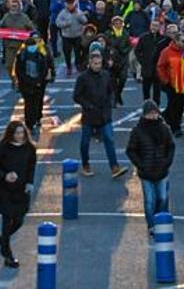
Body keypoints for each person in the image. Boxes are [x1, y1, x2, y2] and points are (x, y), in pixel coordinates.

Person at [0, 120, 38, 269]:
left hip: (21, 189)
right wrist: (4, 175)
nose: (20, 136)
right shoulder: (2, 148)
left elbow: (31, 166)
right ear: (11, 134)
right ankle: (7, 254)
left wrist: (30, 182)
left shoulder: (29, 148)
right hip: (4, 189)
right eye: (17, 133)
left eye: (22, 133)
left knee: (19, 219)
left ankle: (3, 238)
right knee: (7, 218)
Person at [73, 51, 128, 179]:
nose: (97, 66)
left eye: (99, 63)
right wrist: (87, 105)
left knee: (109, 139)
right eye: (95, 63)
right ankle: (86, 164)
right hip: (89, 114)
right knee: (85, 142)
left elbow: (111, 91)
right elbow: (76, 96)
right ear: (90, 63)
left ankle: (114, 167)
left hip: (104, 114)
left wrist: (110, 103)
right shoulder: (83, 78)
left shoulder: (106, 75)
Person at [126, 99, 176, 236]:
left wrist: (167, 162)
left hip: (161, 170)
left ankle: (161, 221)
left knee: (163, 198)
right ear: (144, 114)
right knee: (149, 201)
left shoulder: (164, 128)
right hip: (146, 172)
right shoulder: (137, 131)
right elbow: (130, 150)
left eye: (155, 113)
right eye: (150, 113)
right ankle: (152, 225)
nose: (153, 116)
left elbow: (171, 146)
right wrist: (140, 164)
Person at [13, 34, 55, 136]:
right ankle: (29, 123)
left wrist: (40, 80)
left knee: (36, 103)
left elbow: (44, 69)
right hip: (26, 85)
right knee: (28, 104)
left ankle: (36, 118)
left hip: (39, 84)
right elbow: (19, 71)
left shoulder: (40, 54)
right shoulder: (21, 56)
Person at [135, 18, 168, 105]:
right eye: (153, 25)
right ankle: (146, 106)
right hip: (147, 67)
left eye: (156, 26)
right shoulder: (143, 37)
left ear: (159, 27)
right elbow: (137, 51)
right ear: (150, 26)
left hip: (158, 68)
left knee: (157, 91)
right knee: (146, 90)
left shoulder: (163, 39)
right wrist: (142, 61)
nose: (154, 27)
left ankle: (156, 107)